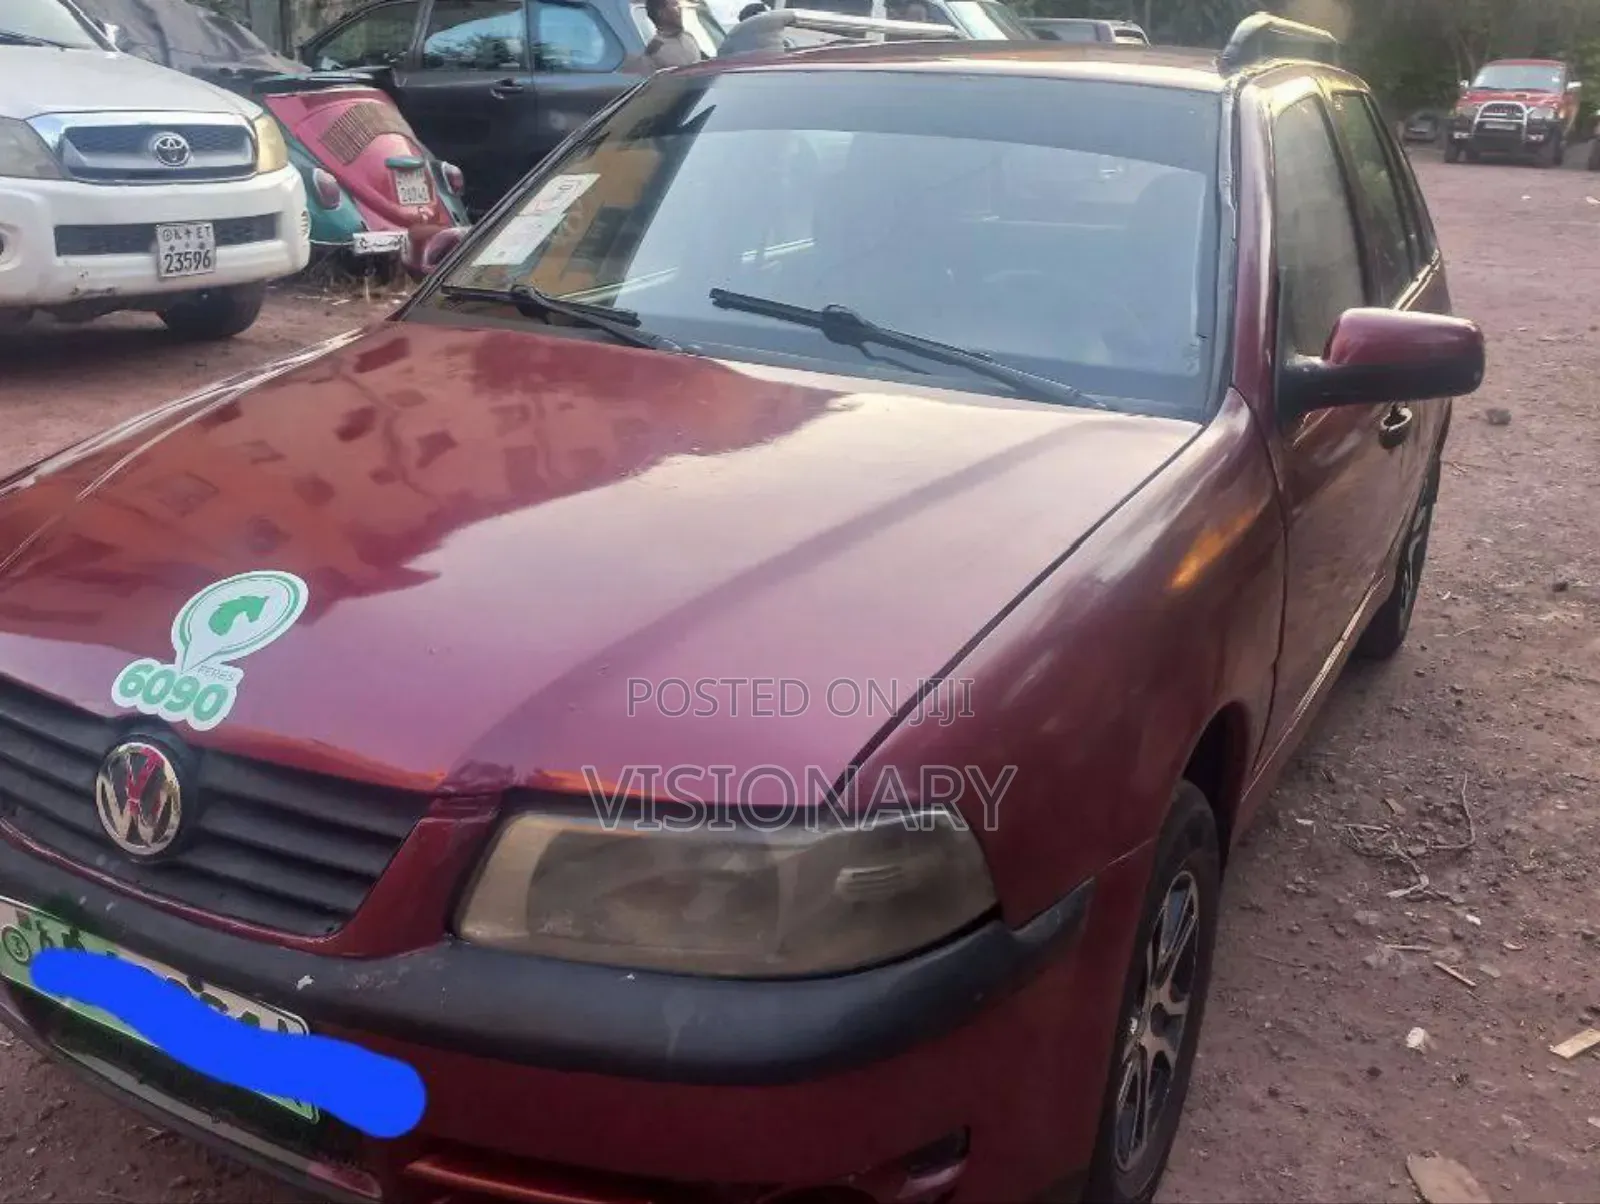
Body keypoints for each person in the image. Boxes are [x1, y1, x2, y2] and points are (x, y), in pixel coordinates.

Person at [643, 0, 703, 68]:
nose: (680, 8)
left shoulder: (688, 37)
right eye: (674, 5)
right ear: (661, 13)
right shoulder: (654, 51)